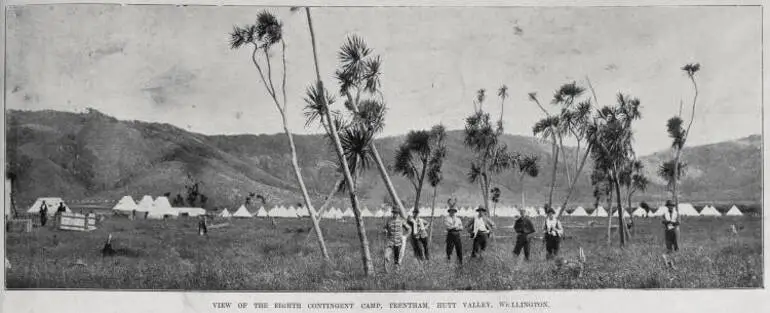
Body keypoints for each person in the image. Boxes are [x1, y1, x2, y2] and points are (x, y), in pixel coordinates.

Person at [444, 200, 464, 264]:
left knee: (459, 248)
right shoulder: (446, 218)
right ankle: (448, 261)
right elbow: (448, 227)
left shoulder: (458, 219)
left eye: (453, 211)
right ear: (449, 212)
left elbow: (461, 227)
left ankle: (460, 261)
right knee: (449, 249)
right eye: (451, 211)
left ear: (455, 212)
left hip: (457, 234)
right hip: (450, 234)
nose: (452, 212)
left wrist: (457, 227)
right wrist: (456, 227)